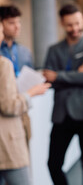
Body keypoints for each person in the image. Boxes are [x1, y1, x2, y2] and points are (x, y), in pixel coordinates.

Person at [43, 4, 83, 185]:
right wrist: (77, 73)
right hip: (62, 114)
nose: (75, 29)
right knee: (53, 163)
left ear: (82, 19)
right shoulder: (54, 49)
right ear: (62, 23)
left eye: (77, 23)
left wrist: (59, 75)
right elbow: (48, 78)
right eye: (69, 25)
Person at [0, 20, 50, 185]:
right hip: (8, 141)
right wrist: (31, 93)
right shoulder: (3, 65)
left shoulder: (23, 52)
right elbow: (9, 105)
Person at [0, 5, 34, 148]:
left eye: (18, 22)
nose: (17, 27)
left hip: (21, 109)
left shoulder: (24, 51)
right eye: (11, 23)